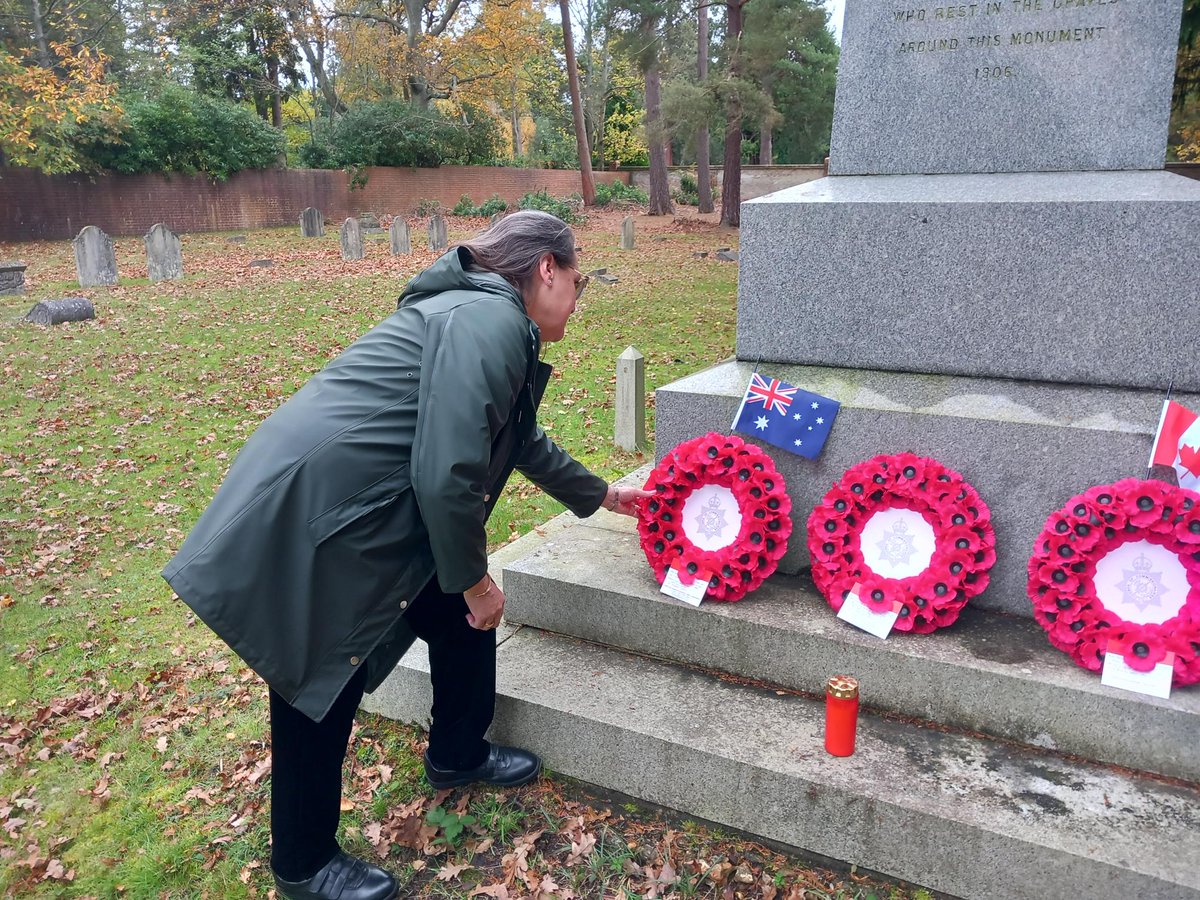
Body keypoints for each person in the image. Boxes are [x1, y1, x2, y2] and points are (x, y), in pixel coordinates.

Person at [162, 210, 649, 900]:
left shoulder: (484, 317)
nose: (577, 299)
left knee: (458, 615)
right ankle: (302, 863)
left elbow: (517, 438)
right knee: (319, 674)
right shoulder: (491, 322)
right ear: (546, 269)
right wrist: (477, 578)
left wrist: (602, 494)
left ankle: (458, 752)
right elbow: (446, 473)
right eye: (577, 282)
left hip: (359, 500)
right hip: (322, 510)